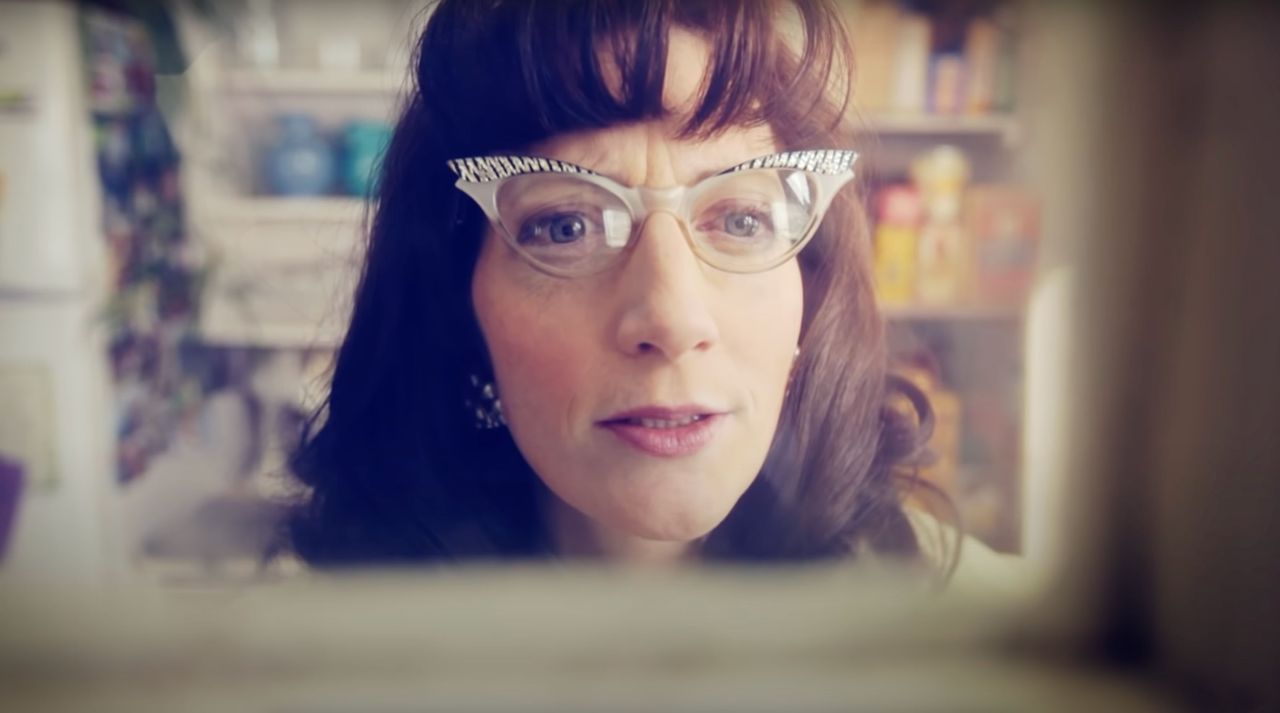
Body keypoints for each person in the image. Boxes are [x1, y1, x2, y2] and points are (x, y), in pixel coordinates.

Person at [288, 0, 961, 573]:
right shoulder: (316, 667)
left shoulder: (991, 642)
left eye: (742, 218)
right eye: (565, 226)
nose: (672, 318)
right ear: (460, 311)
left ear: (809, 296)